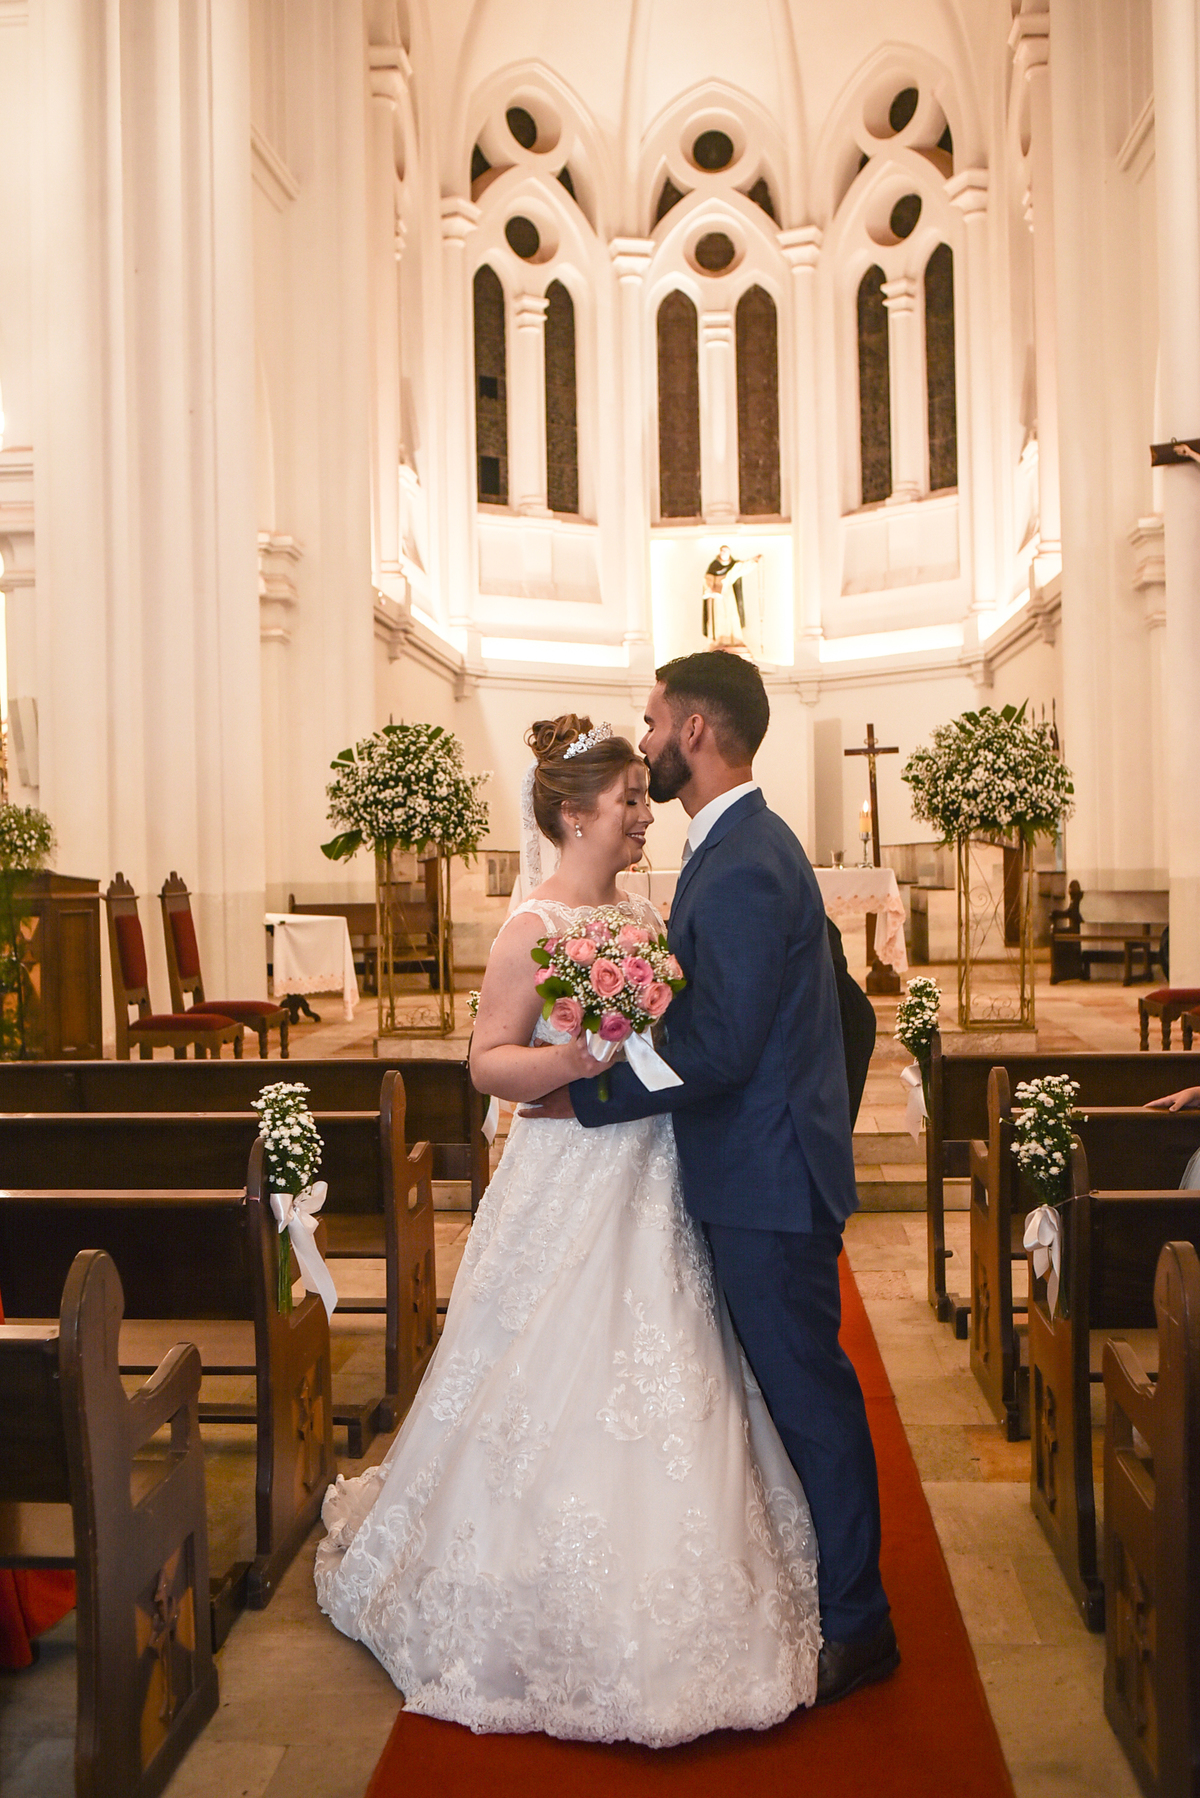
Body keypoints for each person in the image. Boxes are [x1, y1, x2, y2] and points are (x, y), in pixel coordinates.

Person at [314, 714, 822, 1746]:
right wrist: (575, 1064)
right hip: (564, 1170)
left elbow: (685, 1039)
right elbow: (488, 1062)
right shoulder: (530, 930)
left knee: (672, 1354)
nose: (646, 814)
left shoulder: (646, 915)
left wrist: (627, 1063)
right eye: (630, 799)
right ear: (572, 812)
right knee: (539, 1364)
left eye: (645, 794)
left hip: (655, 1170)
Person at [527, 653, 897, 1704]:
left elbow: (720, 1043)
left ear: (693, 729)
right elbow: (847, 1014)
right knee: (795, 1389)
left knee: (809, 1395)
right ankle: (838, 1593)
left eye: (650, 724)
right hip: (777, 1166)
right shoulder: (753, 844)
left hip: (767, 1184)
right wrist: (815, 1104)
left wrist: (589, 1098)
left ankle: (862, 1623)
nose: (642, 744)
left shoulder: (738, 860)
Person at [702, 545, 761, 648]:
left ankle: (734, 640)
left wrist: (754, 561)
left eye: (726, 551)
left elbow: (743, 567)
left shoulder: (733, 565)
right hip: (716, 598)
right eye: (722, 551)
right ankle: (719, 640)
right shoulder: (714, 566)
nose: (724, 553)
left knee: (731, 616)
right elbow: (707, 578)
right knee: (718, 618)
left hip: (728, 595)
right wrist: (710, 589)